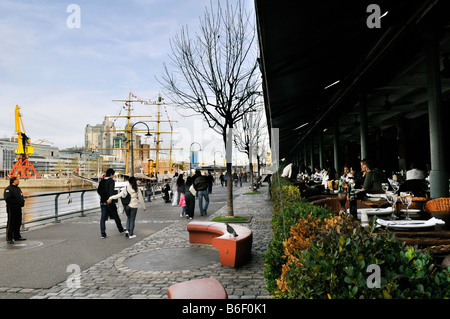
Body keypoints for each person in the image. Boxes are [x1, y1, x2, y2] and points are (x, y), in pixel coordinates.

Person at [97, 168, 125, 239]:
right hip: (109, 201)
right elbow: (111, 191)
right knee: (116, 216)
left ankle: (103, 234)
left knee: (103, 218)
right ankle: (120, 229)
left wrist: (103, 197)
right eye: (113, 175)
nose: (113, 176)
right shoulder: (111, 181)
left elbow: (98, 191)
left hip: (102, 202)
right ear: (111, 174)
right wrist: (110, 198)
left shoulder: (101, 181)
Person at [4, 177, 26, 244]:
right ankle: (9, 238)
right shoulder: (8, 189)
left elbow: (21, 196)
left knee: (18, 222)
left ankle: (17, 236)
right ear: (14, 181)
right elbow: (8, 199)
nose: (19, 181)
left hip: (18, 208)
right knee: (11, 223)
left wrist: (22, 202)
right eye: (18, 180)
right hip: (12, 208)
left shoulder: (18, 188)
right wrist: (17, 202)